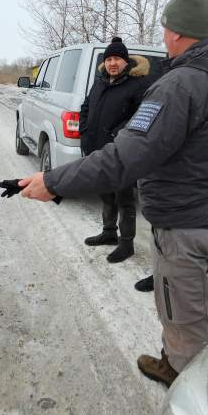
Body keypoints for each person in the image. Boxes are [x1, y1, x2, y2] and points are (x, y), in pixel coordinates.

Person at [17, 0, 208, 415]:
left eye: (166, 28)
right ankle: (171, 363)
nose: (163, 36)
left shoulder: (181, 84)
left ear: (176, 31)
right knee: (181, 313)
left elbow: (124, 157)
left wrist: (53, 181)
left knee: (185, 324)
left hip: (184, 225)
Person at [79, 37, 151, 263]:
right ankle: (109, 232)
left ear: (125, 61)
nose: (112, 63)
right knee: (105, 192)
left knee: (124, 197)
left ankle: (126, 243)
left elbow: (139, 117)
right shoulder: (100, 82)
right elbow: (86, 106)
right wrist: (84, 130)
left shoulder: (137, 85)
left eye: (117, 58)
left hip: (121, 151)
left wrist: (115, 136)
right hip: (96, 148)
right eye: (109, 58)